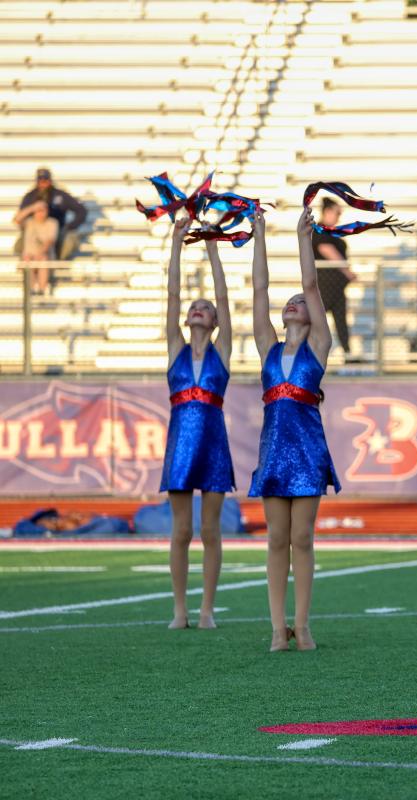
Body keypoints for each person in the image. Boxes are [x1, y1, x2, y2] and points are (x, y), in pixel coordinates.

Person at [250, 206, 341, 653]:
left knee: (302, 538)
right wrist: (259, 234)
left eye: (299, 304)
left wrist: (304, 238)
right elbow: (259, 289)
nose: (293, 303)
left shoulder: (319, 346)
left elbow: (310, 285)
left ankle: (302, 625)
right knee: (275, 539)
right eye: (289, 304)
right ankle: (276, 628)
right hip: (273, 451)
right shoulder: (267, 347)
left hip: (306, 451)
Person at [161, 214, 234, 631]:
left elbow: (223, 295)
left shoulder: (222, 352)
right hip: (180, 445)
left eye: (205, 309)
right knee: (181, 532)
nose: (198, 309)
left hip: (213, 444)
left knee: (210, 531)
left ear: (215, 321)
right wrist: (176, 242)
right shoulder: (176, 349)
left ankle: (207, 608)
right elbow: (173, 293)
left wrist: (210, 245)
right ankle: (179, 609)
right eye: (194, 307)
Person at [311, 198, 357, 361]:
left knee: (340, 320)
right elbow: (326, 249)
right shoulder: (320, 231)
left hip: (337, 287)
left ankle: (347, 353)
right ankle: (308, 353)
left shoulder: (332, 232)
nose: (339, 216)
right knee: (317, 321)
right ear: (328, 211)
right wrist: (346, 271)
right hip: (325, 285)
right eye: (337, 212)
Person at [15, 167, 87, 261]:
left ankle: (60, 261)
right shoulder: (30, 197)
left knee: (67, 240)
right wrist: (32, 208)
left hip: (55, 232)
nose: (43, 183)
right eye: (40, 180)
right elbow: (17, 219)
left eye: (45, 180)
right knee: (22, 245)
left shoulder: (60, 196)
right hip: (35, 230)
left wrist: (69, 226)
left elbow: (81, 210)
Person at [15, 201, 58, 294]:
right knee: (27, 259)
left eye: (43, 210)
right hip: (29, 257)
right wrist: (32, 208)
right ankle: (31, 290)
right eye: (38, 210)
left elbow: (50, 241)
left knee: (43, 260)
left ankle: (41, 290)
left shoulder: (52, 223)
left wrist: (39, 254)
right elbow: (16, 220)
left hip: (44, 257)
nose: (40, 213)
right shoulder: (29, 222)